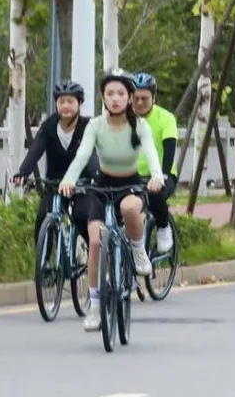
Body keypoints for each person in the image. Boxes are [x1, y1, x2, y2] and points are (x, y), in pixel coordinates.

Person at [60, 70, 164, 332]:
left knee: (130, 208)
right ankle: (95, 308)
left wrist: (156, 176)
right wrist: (69, 179)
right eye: (110, 94)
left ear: (130, 98)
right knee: (95, 242)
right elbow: (83, 155)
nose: (115, 99)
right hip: (101, 186)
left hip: (130, 184)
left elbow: (151, 152)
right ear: (103, 98)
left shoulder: (139, 126)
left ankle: (138, 251)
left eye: (121, 94)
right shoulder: (95, 125)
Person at [12, 80, 94, 249]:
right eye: (61, 101)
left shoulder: (88, 127)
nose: (65, 106)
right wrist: (22, 172)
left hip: (82, 183)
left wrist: (96, 177)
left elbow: (93, 156)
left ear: (80, 104)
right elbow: (36, 150)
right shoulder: (49, 126)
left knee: (81, 216)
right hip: (54, 182)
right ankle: (44, 266)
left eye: (70, 101)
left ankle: (93, 253)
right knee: (43, 217)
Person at [130, 72, 179, 255]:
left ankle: (163, 226)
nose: (140, 103)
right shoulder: (125, 119)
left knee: (155, 192)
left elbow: (169, 149)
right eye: (136, 99)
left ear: (154, 97)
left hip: (160, 174)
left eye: (145, 98)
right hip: (132, 176)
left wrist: (163, 176)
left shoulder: (165, 118)